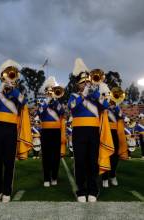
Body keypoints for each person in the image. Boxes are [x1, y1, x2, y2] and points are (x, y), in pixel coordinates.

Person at [0, 59, 28, 203]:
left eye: (12, 75)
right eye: (8, 75)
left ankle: (7, 191)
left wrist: (14, 89)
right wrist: (0, 89)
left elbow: (23, 102)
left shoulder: (18, 92)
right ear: (3, 76)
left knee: (9, 161)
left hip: (11, 128)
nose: (10, 78)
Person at [68, 58, 108, 203]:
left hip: (93, 132)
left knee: (92, 161)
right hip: (79, 132)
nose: (86, 84)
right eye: (83, 83)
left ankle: (93, 189)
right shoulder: (74, 96)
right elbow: (72, 107)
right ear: (78, 84)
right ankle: (81, 190)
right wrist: (84, 94)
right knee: (80, 162)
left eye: (87, 82)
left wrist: (96, 93)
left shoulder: (95, 96)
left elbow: (105, 106)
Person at [37, 76, 65, 187]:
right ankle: (46, 178)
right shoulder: (42, 103)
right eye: (49, 90)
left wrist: (54, 101)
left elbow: (61, 112)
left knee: (55, 156)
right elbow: (40, 113)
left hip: (56, 131)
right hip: (45, 131)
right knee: (46, 156)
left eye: (52, 90)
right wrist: (47, 102)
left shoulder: (57, 102)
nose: (50, 92)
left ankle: (54, 177)